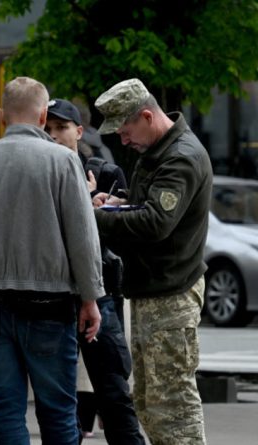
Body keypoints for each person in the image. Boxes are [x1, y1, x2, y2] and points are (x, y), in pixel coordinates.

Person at [0, 77, 104, 444]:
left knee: (7, 410)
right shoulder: (65, 162)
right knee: (59, 412)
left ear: (1, 116)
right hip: (50, 302)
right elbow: (82, 237)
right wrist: (90, 296)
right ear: (44, 114)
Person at [91, 78, 212, 445]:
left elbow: (156, 222)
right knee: (149, 402)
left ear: (146, 115)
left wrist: (90, 215)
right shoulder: (160, 150)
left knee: (172, 406)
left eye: (125, 131)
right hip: (155, 290)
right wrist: (119, 203)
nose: (123, 141)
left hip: (171, 296)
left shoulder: (180, 157)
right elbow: (148, 205)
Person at [45, 98, 146, 444]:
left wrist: (92, 207)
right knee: (59, 394)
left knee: (113, 387)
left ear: (78, 130)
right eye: (48, 129)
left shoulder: (103, 172)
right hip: (54, 290)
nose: (55, 135)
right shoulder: (39, 171)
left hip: (100, 290)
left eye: (61, 128)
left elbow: (124, 235)